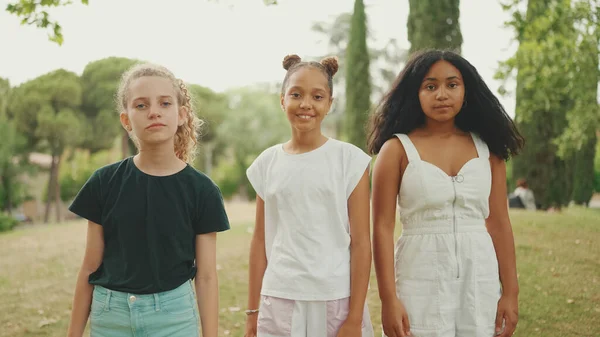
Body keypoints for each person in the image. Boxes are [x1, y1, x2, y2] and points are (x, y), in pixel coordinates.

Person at [66, 63, 230, 337]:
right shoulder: (103, 183)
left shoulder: (203, 191)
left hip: (174, 318)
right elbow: (89, 268)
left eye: (165, 103)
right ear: (126, 120)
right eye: (141, 106)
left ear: (181, 115)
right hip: (111, 318)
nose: (154, 112)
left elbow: (206, 276)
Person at [367, 50, 524, 337]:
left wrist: (510, 292)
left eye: (452, 84)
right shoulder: (396, 150)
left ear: (466, 91)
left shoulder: (488, 151)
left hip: (479, 276)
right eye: (430, 86)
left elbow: (499, 223)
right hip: (419, 275)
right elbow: (382, 227)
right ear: (416, 92)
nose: (442, 94)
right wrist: (389, 299)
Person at [244, 54, 375, 337]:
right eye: (296, 94)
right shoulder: (267, 163)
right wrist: (252, 314)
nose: (306, 104)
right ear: (282, 100)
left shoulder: (349, 160)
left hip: (335, 298)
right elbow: (259, 241)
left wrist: (354, 319)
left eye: (317, 96)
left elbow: (362, 244)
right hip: (279, 296)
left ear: (330, 104)